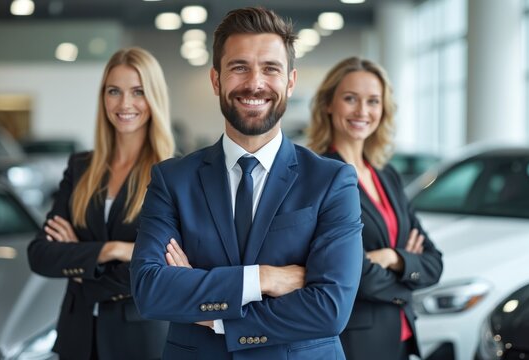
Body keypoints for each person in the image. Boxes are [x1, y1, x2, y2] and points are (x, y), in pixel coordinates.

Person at [130, 7, 363, 360]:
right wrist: (264, 278)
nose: (255, 83)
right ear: (216, 80)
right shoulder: (172, 180)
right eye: (239, 67)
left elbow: (330, 308)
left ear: (290, 81)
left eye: (270, 68)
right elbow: (151, 290)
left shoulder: (332, 181)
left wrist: (217, 318)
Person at [27, 47, 175, 360]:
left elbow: (161, 270)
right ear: (103, 97)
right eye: (114, 91)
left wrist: (79, 264)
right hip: (76, 338)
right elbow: (40, 255)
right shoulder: (81, 168)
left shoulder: (173, 175)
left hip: (140, 342)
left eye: (138, 92)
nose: (125, 104)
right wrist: (115, 250)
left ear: (154, 98)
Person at [307, 56, 443, 360]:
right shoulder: (318, 176)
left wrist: (393, 257)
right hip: (356, 341)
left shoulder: (387, 175)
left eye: (373, 101)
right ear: (329, 104)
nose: (362, 111)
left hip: (401, 335)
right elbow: (345, 271)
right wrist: (406, 281)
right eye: (350, 99)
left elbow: (434, 261)